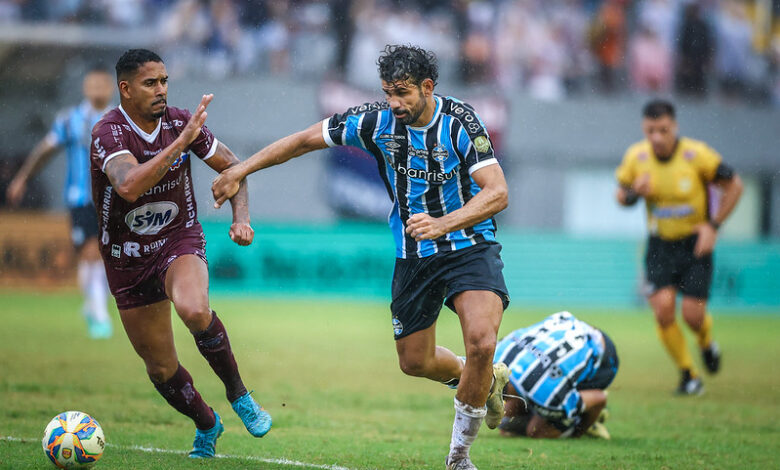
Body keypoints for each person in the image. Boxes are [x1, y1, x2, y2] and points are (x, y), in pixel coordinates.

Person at [212, 44, 511, 470]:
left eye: (404, 92)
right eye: (389, 91)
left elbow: (497, 192)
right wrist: (241, 170)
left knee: (482, 340)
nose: (395, 102)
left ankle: (459, 457)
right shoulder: (375, 121)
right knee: (415, 361)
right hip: (415, 252)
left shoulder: (461, 121)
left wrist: (445, 223)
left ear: (428, 87)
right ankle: (483, 377)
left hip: (469, 246)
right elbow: (301, 141)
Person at [89, 49, 271, 458]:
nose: (161, 90)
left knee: (193, 309)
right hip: (126, 257)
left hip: (177, 239)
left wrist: (241, 219)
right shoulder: (108, 133)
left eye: (165, 81)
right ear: (126, 89)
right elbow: (129, 186)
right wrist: (182, 143)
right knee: (161, 368)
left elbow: (234, 169)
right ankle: (207, 423)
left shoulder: (179, 122)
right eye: (151, 83)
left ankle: (240, 396)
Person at [615, 99, 743, 395]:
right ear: (643, 130)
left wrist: (713, 226)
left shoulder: (697, 155)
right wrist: (635, 192)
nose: (657, 137)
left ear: (675, 127)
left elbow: (735, 185)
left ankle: (706, 343)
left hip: (695, 245)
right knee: (662, 310)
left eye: (663, 130)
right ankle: (689, 375)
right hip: (660, 244)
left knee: (693, 317)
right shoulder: (636, 157)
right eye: (651, 131)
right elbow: (620, 196)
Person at [6, 66, 115, 339]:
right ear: (85, 88)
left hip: (116, 198)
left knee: (103, 254)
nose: (97, 89)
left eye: (102, 84)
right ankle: (99, 312)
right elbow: (46, 149)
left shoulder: (121, 119)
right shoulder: (70, 120)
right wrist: (22, 178)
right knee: (91, 251)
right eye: (92, 84)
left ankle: (94, 306)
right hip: (80, 198)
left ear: (111, 88)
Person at [494, 311, 618, 440]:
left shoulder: (548, 394)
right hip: (567, 332)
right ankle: (546, 409)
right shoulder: (497, 354)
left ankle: (583, 412)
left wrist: (579, 431)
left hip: (602, 359)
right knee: (505, 420)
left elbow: (600, 398)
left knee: (537, 432)